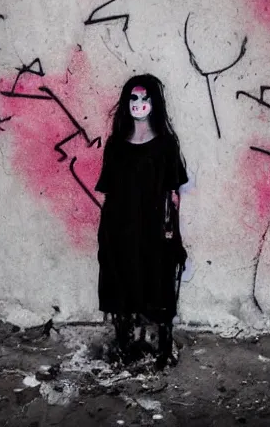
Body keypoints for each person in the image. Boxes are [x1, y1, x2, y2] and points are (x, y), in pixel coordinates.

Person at [95, 74, 188, 369]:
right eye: (133, 98)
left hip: (155, 228)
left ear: (154, 103)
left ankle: (163, 346)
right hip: (120, 227)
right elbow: (108, 192)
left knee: (158, 280)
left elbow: (174, 193)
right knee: (119, 279)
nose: (139, 104)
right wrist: (107, 233)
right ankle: (123, 343)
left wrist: (170, 230)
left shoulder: (165, 146)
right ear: (126, 103)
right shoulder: (116, 146)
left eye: (145, 98)